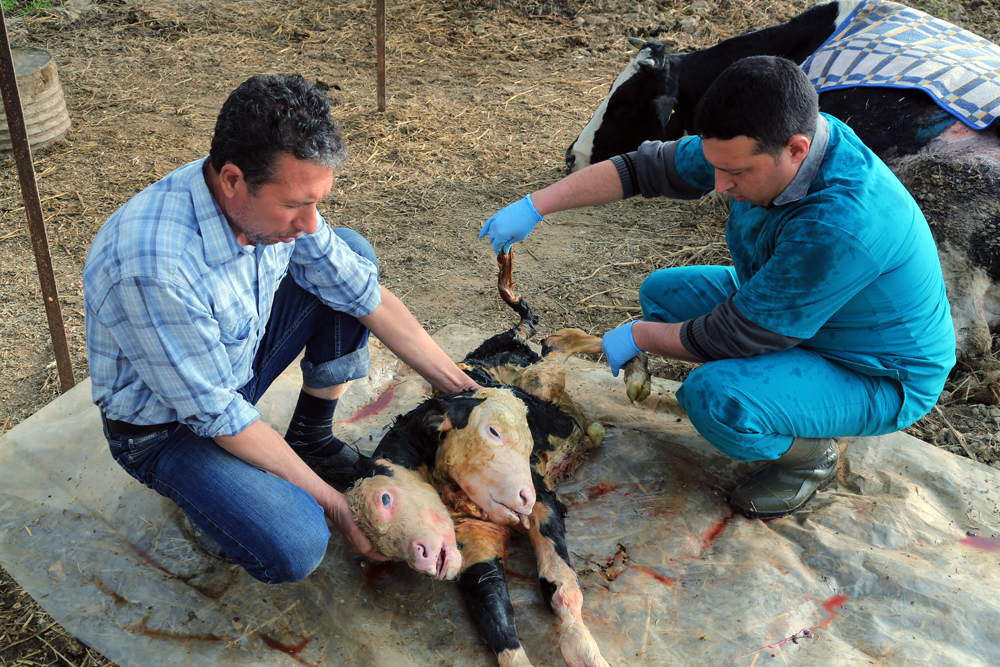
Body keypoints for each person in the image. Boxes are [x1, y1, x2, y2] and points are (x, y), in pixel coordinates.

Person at [480, 56, 955, 519]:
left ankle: (811, 456)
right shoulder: (762, 140)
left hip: (876, 370)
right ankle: (781, 393)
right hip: (801, 314)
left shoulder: (841, 224)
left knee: (714, 397)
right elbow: (645, 169)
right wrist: (536, 205)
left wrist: (639, 336)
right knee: (663, 292)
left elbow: (740, 334)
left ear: (796, 149)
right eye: (716, 167)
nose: (720, 184)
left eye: (737, 174)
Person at [84, 73, 479, 584]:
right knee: (297, 542)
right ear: (232, 181)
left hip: (229, 369)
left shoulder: (257, 203)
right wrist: (338, 507)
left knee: (350, 254)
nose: (311, 223)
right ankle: (214, 506)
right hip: (167, 428)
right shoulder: (154, 267)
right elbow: (217, 414)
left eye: (317, 202)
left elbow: (359, 291)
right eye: (295, 205)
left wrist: (467, 393)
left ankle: (310, 439)